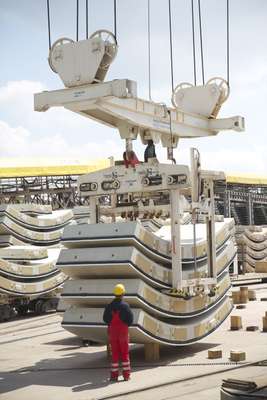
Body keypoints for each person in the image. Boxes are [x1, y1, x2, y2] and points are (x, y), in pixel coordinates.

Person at [103, 284, 133, 381]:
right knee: (125, 353)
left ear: (114, 294)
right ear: (123, 293)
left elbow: (105, 319)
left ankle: (114, 376)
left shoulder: (109, 306)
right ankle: (126, 376)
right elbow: (130, 320)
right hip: (123, 332)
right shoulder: (125, 306)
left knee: (115, 354)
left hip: (113, 332)